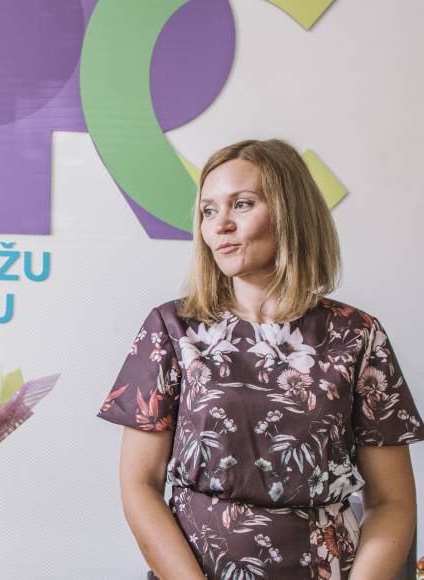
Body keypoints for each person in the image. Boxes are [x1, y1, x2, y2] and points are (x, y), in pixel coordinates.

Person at [98, 139, 421, 579]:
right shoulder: (173, 329)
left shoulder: (358, 335)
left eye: (242, 204)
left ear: (290, 212)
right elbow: (140, 486)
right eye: (208, 210)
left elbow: (392, 502)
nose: (220, 225)